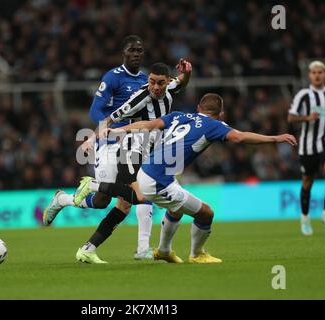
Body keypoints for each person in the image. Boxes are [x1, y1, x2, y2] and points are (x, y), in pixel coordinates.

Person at [75, 93, 296, 263]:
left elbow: (148, 125)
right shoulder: (214, 125)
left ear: (199, 108)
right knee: (206, 213)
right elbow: (239, 137)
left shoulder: (179, 115)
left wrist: (118, 130)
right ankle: (197, 254)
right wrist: (275, 138)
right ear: (221, 114)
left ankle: (163, 251)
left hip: (149, 170)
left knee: (172, 207)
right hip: (159, 179)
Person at [45, 60, 192, 263]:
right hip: (130, 151)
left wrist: (187, 72)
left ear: (167, 82)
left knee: (115, 204)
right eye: (152, 82)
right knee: (143, 196)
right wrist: (91, 139)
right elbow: (111, 118)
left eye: (161, 83)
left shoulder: (170, 88)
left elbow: (181, 81)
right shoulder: (140, 98)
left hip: (149, 153)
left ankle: (86, 245)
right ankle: (142, 248)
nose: (156, 87)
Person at [43, 35, 151, 259]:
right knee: (103, 201)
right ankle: (63, 199)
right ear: (124, 53)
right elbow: (95, 111)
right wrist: (108, 131)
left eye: (140, 50)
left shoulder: (147, 80)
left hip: (135, 144)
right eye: (132, 50)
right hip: (111, 143)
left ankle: (139, 249)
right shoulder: (113, 77)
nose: (137, 54)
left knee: (130, 199)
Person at [288, 60, 325, 236]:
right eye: (314, 72)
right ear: (309, 75)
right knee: (307, 182)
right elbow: (291, 118)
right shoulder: (303, 95)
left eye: (320, 72)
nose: (317, 75)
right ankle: (305, 218)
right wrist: (307, 118)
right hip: (308, 145)